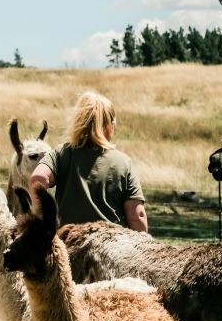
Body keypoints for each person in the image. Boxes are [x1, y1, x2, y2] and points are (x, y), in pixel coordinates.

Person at [29, 91, 147, 232]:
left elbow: (38, 178)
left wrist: (43, 220)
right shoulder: (124, 162)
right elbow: (137, 215)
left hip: (69, 241)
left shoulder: (62, 153)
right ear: (111, 124)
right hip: (111, 246)